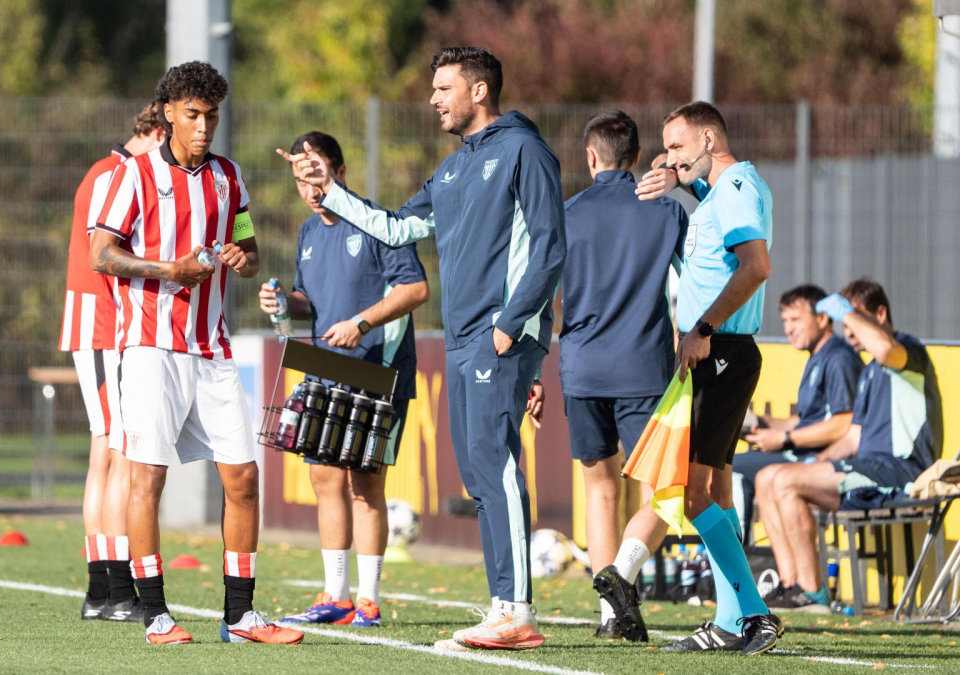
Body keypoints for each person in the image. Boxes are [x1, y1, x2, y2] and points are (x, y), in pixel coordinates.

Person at [280, 46, 562, 651]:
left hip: (497, 334)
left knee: (498, 467)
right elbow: (397, 227)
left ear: (479, 91)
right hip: (461, 340)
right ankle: (502, 608)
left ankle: (516, 610)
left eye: (443, 88)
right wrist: (328, 190)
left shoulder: (524, 150)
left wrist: (513, 324)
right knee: (480, 474)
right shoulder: (455, 168)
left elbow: (550, 247)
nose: (433, 99)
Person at [89, 61, 302, 646]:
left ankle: (241, 615)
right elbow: (102, 255)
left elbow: (250, 248)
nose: (204, 127)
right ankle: (156, 613)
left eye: (211, 116)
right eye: (193, 116)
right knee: (147, 480)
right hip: (150, 346)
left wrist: (242, 259)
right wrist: (167, 271)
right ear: (167, 115)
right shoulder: (130, 176)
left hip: (212, 349)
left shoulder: (229, 178)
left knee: (243, 476)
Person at [596, 101, 783, 655]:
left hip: (720, 351)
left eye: (677, 146)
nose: (669, 156)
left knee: (692, 492)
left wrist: (702, 326)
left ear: (707, 139)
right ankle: (729, 622)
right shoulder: (719, 191)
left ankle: (755, 614)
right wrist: (680, 181)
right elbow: (716, 222)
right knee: (716, 491)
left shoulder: (740, 186)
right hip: (710, 353)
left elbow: (757, 265)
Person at [260, 131, 429, 628]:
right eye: (299, 179)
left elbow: (415, 288)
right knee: (324, 479)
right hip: (327, 370)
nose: (310, 188)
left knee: (365, 484)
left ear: (340, 172)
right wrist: (282, 301)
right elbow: (307, 299)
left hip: (378, 370)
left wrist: (363, 322)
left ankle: (369, 600)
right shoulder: (308, 233)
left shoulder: (377, 223)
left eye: (316, 174)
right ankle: (335, 595)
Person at [559, 110, 687, 638]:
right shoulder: (666, 212)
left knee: (599, 487)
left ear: (591, 158)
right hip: (643, 365)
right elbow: (697, 280)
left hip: (582, 367)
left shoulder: (564, 214)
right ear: (636, 158)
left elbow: (540, 295)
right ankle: (621, 575)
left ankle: (610, 612)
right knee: (667, 489)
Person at [756, 279, 942, 610]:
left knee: (784, 481)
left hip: (901, 471)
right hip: (869, 468)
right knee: (767, 478)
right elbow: (853, 437)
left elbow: (885, 349)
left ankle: (813, 594)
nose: (846, 326)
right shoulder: (870, 371)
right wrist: (813, 464)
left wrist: (848, 314)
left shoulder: (908, 350)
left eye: (853, 317)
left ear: (880, 314)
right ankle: (790, 585)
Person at [60, 101, 164, 623]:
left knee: (107, 452)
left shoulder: (108, 170)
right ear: (153, 133)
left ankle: (104, 590)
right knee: (119, 451)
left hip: (102, 325)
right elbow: (104, 254)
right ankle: (116, 588)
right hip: (104, 324)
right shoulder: (115, 173)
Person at [735, 284, 863, 544]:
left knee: (731, 471)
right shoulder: (817, 356)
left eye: (795, 319)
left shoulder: (838, 358)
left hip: (820, 463)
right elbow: (809, 419)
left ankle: (738, 565)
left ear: (822, 318)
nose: (788, 328)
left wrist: (785, 439)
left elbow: (844, 424)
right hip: (799, 453)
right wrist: (759, 423)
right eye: (784, 321)